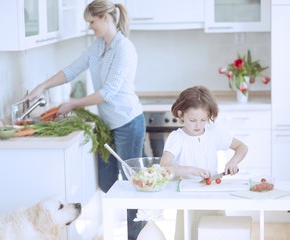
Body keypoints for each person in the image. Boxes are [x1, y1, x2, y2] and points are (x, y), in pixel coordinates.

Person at [25, 1, 145, 239]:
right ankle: (115, 231)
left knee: (134, 186)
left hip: (128, 123)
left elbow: (108, 93)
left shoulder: (124, 48)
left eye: (92, 21)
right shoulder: (98, 46)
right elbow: (71, 69)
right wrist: (41, 87)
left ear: (106, 18)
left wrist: (71, 104)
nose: (90, 26)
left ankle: (138, 235)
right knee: (108, 182)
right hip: (107, 125)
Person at [160, 85, 248, 239]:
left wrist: (233, 162)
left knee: (215, 232)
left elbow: (242, 147)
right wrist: (191, 170)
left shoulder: (213, 132)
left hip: (213, 195)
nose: (198, 125)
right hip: (187, 198)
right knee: (189, 233)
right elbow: (164, 167)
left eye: (203, 120)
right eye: (193, 120)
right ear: (181, 114)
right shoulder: (177, 138)